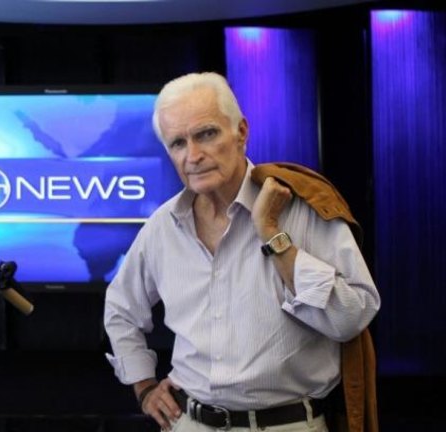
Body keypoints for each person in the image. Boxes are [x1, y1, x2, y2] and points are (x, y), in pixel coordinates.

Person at [103, 72, 380, 432]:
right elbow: (121, 308)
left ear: (241, 132)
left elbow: (352, 318)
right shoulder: (163, 226)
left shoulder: (304, 208)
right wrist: (143, 387)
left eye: (207, 134)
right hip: (190, 423)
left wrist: (272, 234)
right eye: (178, 143)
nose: (194, 156)